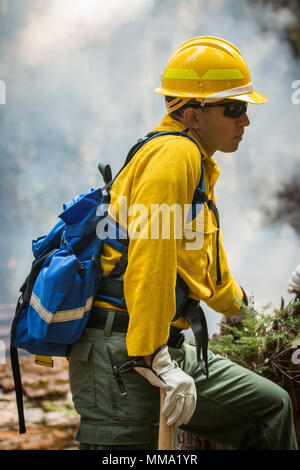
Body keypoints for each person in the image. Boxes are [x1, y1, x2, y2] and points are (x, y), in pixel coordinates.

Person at [68, 36, 298, 450]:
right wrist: (152, 357)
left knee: (270, 407)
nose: (245, 121)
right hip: (125, 353)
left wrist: (237, 306)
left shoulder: (195, 160)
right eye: (236, 109)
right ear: (193, 114)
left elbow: (197, 252)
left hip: (156, 341)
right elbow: (150, 261)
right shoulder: (176, 156)